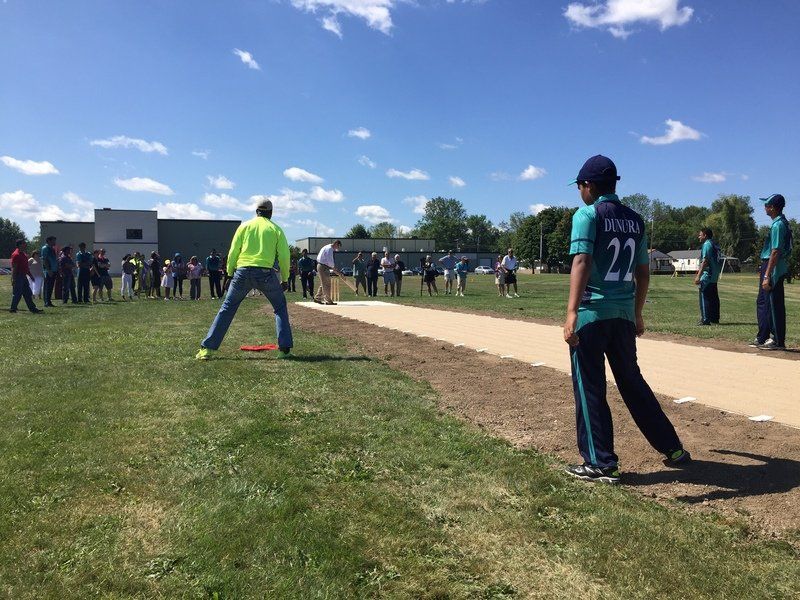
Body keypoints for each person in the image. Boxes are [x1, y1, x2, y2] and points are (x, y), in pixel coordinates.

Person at [563, 155, 690, 484]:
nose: (579, 192)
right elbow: (643, 272)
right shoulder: (635, 219)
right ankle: (673, 448)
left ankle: (601, 463)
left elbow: (581, 262)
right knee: (633, 383)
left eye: (579, 186)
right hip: (622, 316)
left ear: (588, 186)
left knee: (590, 388)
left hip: (592, 313)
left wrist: (572, 313)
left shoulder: (587, 215)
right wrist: (637, 312)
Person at [196, 199, 293, 359]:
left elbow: (233, 251)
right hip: (265, 273)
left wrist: (228, 274)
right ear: (271, 213)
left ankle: (208, 349)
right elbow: (284, 256)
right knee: (280, 307)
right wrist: (285, 278)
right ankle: (284, 350)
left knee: (227, 308)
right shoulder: (276, 229)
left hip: (242, 272)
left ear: (256, 211)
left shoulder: (244, 226)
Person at [751, 194, 793, 351]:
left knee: (774, 304)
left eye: (767, 205)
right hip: (769, 265)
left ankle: (777, 340)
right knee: (763, 302)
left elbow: (775, 251)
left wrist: (767, 275)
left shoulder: (778, 225)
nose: (765, 207)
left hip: (774, 267)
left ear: (773, 207)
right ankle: (763, 336)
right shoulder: (780, 223)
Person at [693, 227, 721, 325]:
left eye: (700, 235)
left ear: (705, 235)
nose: (698, 237)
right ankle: (715, 318)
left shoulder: (707, 244)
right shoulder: (715, 244)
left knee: (704, 295)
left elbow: (705, 261)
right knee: (713, 297)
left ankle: (705, 319)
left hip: (707, 275)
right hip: (714, 275)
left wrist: (698, 276)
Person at [10, 240, 42, 313]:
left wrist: (30, 275)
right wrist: (14, 279)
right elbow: (14, 267)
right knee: (17, 293)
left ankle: (32, 308)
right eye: (24, 243)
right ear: (20, 245)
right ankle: (13, 309)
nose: (25, 244)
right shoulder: (16, 254)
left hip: (23, 276)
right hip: (18, 276)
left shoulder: (23, 254)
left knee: (28, 293)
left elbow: (26, 267)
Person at [314, 240, 343, 305]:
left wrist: (335, 270)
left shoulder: (328, 247)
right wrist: (336, 271)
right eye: (338, 247)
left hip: (322, 266)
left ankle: (317, 298)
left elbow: (329, 263)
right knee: (326, 284)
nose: (337, 249)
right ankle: (328, 301)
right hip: (323, 266)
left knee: (323, 283)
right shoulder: (329, 249)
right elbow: (330, 262)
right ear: (336, 243)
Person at [40, 236, 58, 307]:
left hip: (53, 270)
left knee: (51, 286)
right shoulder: (45, 248)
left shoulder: (52, 249)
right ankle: (46, 302)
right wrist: (48, 270)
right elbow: (45, 260)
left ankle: (49, 301)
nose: (55, 242)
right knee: (47, 286)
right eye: (53, 240)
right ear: (49, 241)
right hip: (48, 271)